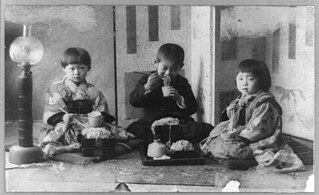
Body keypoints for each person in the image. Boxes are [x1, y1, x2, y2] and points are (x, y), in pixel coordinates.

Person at [200, 59, 305, 173]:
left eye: (250, 79)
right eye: (240, 79)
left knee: (230, 149)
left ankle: (246, 156)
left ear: (261, 80)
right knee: (213, 139)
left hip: (257, 139)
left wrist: (238, 137)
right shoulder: (242, 97)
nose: (244, 83)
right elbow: (233, 119)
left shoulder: (265, 103)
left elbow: (258, 127)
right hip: (240, 134)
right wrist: (232, 112)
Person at [127, 43, 213, 145]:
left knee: (206, 129)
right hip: (151, 122)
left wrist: (179, 99)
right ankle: (167, 138)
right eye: (164, 68)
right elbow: (133, 101)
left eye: (174, 69)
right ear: (156, 63)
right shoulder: (148, 80)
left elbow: (192, 108)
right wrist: (146, 88)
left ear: (180, 67)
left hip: (177, 123)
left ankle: (163, 138)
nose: (168, 73)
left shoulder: (182, 82)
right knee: (133, 128)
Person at [39, 47, 116, 158]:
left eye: (81, 68)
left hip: (87, 124)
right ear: (64, 68)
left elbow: (101, 110)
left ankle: (70, 147)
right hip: (66, 123)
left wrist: (97, 118)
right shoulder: (56, 88)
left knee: (106, 132)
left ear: (88, 68)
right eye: (72, 68)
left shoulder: (93, 90)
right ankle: (68, 146)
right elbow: (51, 111)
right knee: (58, 131)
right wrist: (63, 117)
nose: (77, 72)